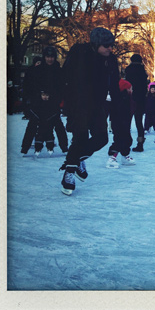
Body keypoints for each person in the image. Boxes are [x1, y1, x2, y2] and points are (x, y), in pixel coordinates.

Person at [60, 27, 121, 195]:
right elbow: (64, 75)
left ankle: (77, 160)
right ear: (96, 44)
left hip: (97, 105)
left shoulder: (111, 60)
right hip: (78, 104)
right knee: (79, 138)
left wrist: (117, 106)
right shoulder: (80, 52)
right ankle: (69, 174)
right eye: (106, 45)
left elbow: (114, 84)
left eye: (111, 45)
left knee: (102, 138)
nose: (110, 48)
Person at [21, 47, 68, 155]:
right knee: (32, 125)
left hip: (53, 103)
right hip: (38, 103)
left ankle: (64, 147)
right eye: (48, 57)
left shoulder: (59, 71)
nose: (50, 59)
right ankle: (25, 148)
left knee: (58, 125)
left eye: (52, 57)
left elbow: (61, 88)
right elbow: (31, 85)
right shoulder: (37, 70)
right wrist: (39, 95)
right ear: (44, 57)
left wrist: (52, 96)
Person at [106, 78, 136, 168]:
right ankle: (112, 158)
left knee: (127, 139)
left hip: (124, 123)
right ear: (125, 89)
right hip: (120, 123)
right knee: (119, 140)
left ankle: (125, 155)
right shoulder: (122, 98)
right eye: (130, 88)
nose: (131, 90)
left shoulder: (126, 98)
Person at [124, 53, 148, 152]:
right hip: (141, 99)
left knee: (127, 122)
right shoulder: (143, 72)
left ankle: (126, 142)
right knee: (139, 122)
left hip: (130, 98)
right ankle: (140, 143)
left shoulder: (129, 70)